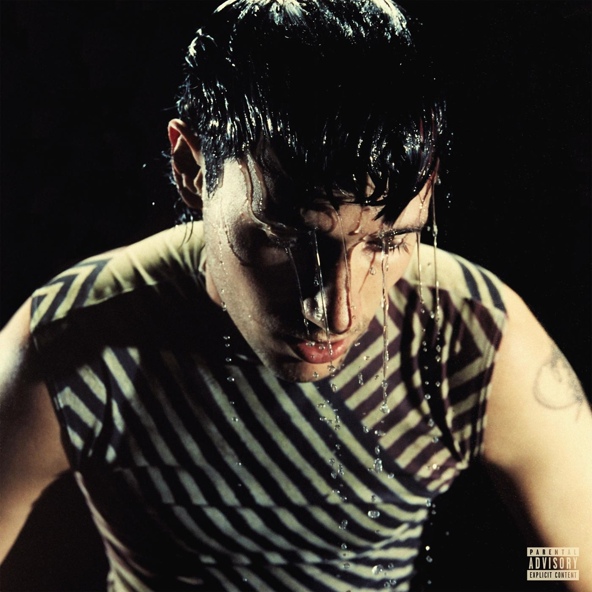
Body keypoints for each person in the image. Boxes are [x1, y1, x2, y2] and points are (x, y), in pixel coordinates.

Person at [0, 1, 590, 591]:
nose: (336, 312)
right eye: (287, 238)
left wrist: (531, 574)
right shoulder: (72, 337)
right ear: (192, 168)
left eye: (387, 242)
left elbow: (576, 558)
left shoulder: (474, 338)